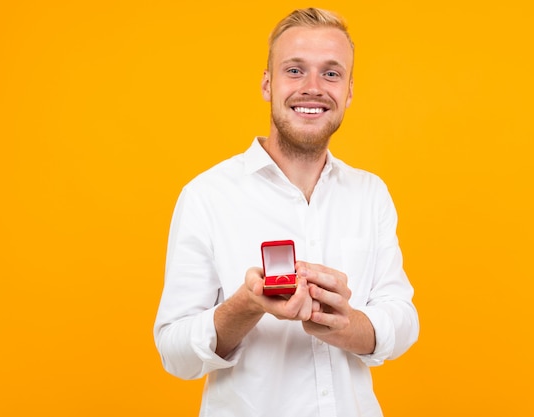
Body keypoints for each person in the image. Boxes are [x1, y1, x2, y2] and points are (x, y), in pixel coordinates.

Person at [154, 7, 419, 417]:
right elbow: (175, 354)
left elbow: (402, 318)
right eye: (294, 70)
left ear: (348, 91)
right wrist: (248, 304)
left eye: (331, 73)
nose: (313, 87)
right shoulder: (207, 196)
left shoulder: (371, 194)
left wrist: (346, 324)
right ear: (267, 83)